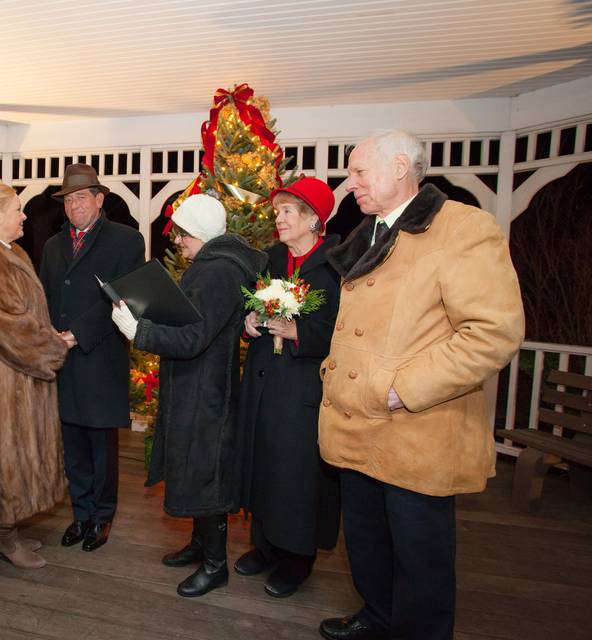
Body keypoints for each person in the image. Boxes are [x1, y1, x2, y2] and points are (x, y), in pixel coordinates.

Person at [318, 130, 525, 640]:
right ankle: (378, 616)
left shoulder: (462, 228)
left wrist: (404, 388)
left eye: (360, 172)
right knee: (367, 541)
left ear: (400, 168)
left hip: (417, 426)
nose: (351, 183)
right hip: (356, 425)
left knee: (419, 556)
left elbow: (493, 332)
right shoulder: (368, 234)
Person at [111, 194, 266, 597]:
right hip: (198, 385)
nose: (176, 240)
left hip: (207, 391)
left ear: (198, 231)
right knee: (197, 469)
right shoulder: (213, 266)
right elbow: (193, 320)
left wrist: (139, 332)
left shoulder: (218, 272)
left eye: (181, 232)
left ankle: (216, 566)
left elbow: (196, 337)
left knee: (206, 474)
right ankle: (201, 546)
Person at [235, 177, 341, 599]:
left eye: (286, 212)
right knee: (263, 464)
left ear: (313, 219)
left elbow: (345, 330)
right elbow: (252, 303)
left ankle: (296, 559)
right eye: (277, 211)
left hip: (304, 390)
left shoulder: (336, 265)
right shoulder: (272, 259)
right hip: (264, 383)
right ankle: (264, 546)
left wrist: (300, 332)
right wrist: (248, 323)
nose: (277, 219)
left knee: (295, 475)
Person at [0, 181, 70, 569]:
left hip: (17, 376)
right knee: (3, 458)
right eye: (18, 209)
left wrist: (46, 333)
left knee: (16, 455)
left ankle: (2, 534)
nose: (25, 216)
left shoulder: (9, 251)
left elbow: (26, 315)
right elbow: (7, 325)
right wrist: (55, 346)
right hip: (1, 382)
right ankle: (4, 537)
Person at [39, 164, 145, 552]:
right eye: (67, 199)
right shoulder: (53, 245)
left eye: (80, 197)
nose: (73, 205)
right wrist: (49, 333)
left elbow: (123, 300)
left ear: (100, 200)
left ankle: (102, 517)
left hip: (99, 357)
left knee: (102, 447)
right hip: (62, 360)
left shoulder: (126, 241)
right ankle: (80, 515)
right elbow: (48, 295)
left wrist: (76, 335)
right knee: (73, 445)